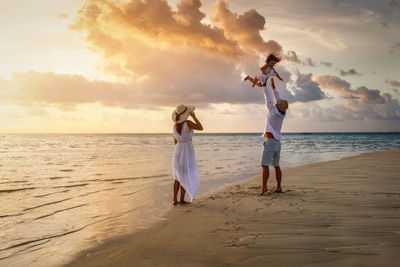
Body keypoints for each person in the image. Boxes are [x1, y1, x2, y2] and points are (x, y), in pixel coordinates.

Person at [256, 75, 288, 195]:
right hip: (278, 143)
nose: (276, 103)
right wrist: (274, 87)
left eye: (277, 103)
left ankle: (264, 187)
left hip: (270, 143)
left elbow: (267, 98)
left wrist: (265, 86)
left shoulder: (272, 112)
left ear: (277, 106)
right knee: (276, 166)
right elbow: (276, 99)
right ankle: (279, 187)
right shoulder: (282, 113)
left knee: (265, 166)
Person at [171, 104, 203, 205]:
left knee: (177, 176)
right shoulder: (188, 123)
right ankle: (181, 200)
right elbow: (200, 128)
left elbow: (175, 142)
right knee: (185, 174)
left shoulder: (175, 126)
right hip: (187, 150)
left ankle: (174, 200)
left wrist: (182, 141)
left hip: (178, 151)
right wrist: (194, 116)